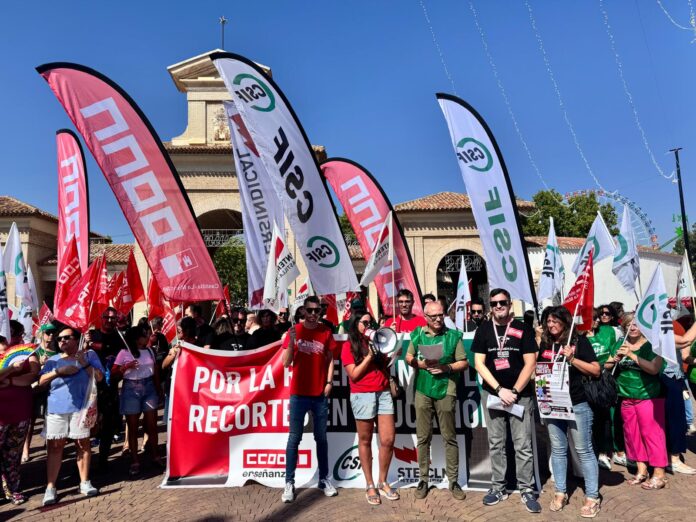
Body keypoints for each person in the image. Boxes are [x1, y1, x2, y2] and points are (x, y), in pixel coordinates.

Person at [471, 288, 541, 513]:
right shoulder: (483, 329)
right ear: (490, 306)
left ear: (510, 304)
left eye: (502, 302)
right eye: (494, 303)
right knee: (496, 443)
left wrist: (515, 391)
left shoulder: (523, 328)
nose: (498, 306)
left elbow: (530, 363)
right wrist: (500, 390)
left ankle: (526, 489)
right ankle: (498, 487)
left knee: (523, 445)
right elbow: (479, 364)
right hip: (493, 394)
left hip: (520, 396)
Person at [538, 306, 601, 517]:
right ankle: (560, 492)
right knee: (558, 449)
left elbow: (596, 370)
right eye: (548, 321)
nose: (551, 325)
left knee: (584, 450)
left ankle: (592, 496)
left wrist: (573, 359)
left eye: (555, 321)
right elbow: (540, 370)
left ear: (565, 322)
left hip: (577, 404)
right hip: (552, 404)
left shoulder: (579, 341)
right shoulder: (546, 343)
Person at [405, 301, 468, 500]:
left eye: (441, 315)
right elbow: (408, 357)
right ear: (426, 317)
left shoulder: (453, 335)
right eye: (433, 316)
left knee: (449, 436)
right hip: (423, 389)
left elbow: (464, 362)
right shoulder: (418, 334)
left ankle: (453, 481)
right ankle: (423, 480)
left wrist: (446, 368)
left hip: (446, 388)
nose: (438, 319)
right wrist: (420, 364)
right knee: (423, 437)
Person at [281, 296, 338, 503]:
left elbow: (330, 359)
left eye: (317, 310)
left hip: (319, 394)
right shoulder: (294, 331)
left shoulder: (325, 332)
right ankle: (289, 482)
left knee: (321, 438)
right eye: (310, 310)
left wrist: (329, 382)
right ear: (303, 311)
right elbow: (286, 363)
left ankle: (324, 479)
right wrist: (291, 342)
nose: (314, 314)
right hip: (298, 394)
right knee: (294, 438)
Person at [39, 327, 104, 505]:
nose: (62, 341)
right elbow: (41, 382)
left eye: (67, 337)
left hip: (82, 408)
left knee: (83, 443)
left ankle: (84, 482)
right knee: (55, 446)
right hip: (56, 408)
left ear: (77, 339)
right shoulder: (53, 360)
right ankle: (50, 487)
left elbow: (99, 377)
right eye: (59, 339)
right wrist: (59, 371)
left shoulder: (89, 355)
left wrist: (84, 363)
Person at [605, 313, 667, 490]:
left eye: (636, 324)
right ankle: (642, 470)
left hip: (647, 397)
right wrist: (614, 360)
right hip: (626, 396)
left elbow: (654, 369)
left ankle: (659, 474)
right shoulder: (620, 343)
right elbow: (607, 365)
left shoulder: (653, 345)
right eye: (628, 324)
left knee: (652, 435)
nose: (632, 327)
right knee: (633, 435)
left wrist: (631, 354)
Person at [342, 311, 399, 505]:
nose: (368, 326)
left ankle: (383, 481)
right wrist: (369, 357)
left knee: (388, 439)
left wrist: (390, 356)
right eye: (364, 323)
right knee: (365, 440)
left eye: (370, 323)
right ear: (355, 324)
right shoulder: (348, 346)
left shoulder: (377, 341)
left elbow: (383, 367)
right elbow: (354, 374)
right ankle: (370, 484)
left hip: (383, 393)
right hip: (362, 395)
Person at [111, 326, 163, 477]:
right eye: (144, 335)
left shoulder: (150, 351)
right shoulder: (124, 352)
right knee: (133, 427)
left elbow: (155, 369)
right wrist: (126, 367)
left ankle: (156, 456)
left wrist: (158, 387)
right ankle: (135, 461)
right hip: (131, 389)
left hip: (149, 387)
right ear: (136, 338)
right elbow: (114, 373)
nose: (147, 338)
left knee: (152, 425)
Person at [0, 334, 40, 504]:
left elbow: (34, 375)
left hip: (20, 412)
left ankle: (13, 489)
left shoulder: (26, 352)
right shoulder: (12, 362)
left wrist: (8, 381)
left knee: (13, 454)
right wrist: (10, 369)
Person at [85, 307, 126, 471]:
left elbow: (121, 356)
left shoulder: (119, 337)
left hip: (110, 388)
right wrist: (86, 343)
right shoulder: (91, 334)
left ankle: (103, 460)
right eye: (106, 317)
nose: (109, 321)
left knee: (108, 425)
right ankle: (83, 462)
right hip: (89, 387)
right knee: (87, 425)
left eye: (113, 318)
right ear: (101, 318)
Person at [586, 309, 626, 470]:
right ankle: (594, 452)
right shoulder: (578, 336)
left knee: (605, 418)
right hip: (586, 381)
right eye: (594, 318)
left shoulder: (608, 331)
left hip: (604, 379)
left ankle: (605, 452)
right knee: (591, 419)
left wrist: (610, 361)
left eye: (598, 318)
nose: (597, 320)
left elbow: (612, 354)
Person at [22, 323, 57, 463]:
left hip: (50, 390)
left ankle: (49, 448)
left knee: (49, 420)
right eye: (48, 332)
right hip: (35, 390)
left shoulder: (57, 352)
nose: (51, 335)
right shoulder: (34, 351)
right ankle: (26, 449)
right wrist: (39, 365)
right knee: (30, 421)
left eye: (53, 332)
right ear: (41, 334)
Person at [162, 317, 198, 423]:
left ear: (187, 330)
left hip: (192, 390)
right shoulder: (176, 345)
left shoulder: (199, 346)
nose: (177, 332)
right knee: (171, 422)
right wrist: (173, 353)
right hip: (173, 389)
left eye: (179, 330)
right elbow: (164, 365)